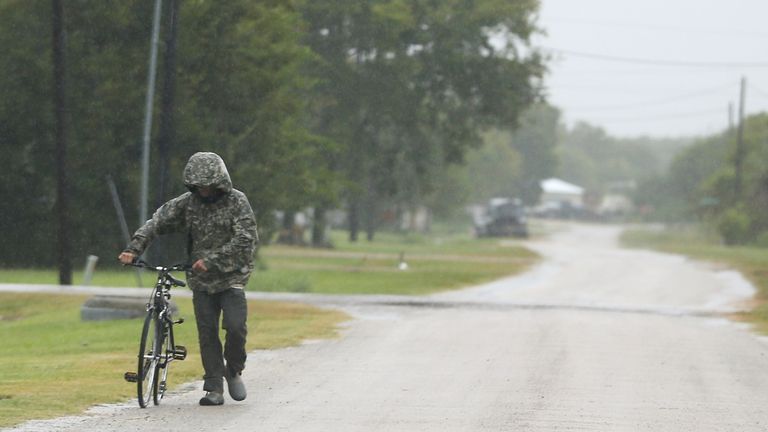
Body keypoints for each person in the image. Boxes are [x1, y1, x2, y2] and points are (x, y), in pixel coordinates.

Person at [118, 152, 258, 406]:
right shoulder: (188, 203)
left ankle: (234, 369)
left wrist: (211, 261)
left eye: (208, 185)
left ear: (220, 182)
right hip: (201, 280)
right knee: (207, 333)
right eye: (198, 186)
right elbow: (157, 222)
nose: (204, 190)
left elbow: (245, 240)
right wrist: (133, 248)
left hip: (231, 276)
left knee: (235, 328)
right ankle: (213, 387)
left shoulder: (237, 202)